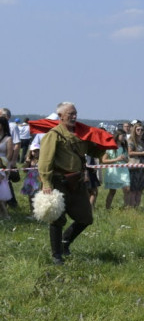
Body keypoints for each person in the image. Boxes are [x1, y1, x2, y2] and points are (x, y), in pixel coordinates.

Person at [36, 103, 110, 264]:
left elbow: (94, 152)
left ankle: (65, 241)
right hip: (58, 181)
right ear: (61, 116)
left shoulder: (81, 134)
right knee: (57, 219)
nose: (74, 116)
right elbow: (44, 162)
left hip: (77, 182)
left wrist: (104, 142)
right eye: (70, 114)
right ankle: (57, 255)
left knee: (86, 218)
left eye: (75, 113)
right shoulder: (53, 135)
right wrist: (46, 183)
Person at [101, 131, 130, 210]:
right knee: (112, 191)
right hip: (113, 171)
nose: (124, 137)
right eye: (122, 135)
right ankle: (107, 208)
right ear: (117, 136)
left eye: (125, 136)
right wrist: (116, 159)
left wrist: (125, 159)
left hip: (123, 170)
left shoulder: (124, 147)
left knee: (127, 189)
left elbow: (128, 160)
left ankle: (126, 208)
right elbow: (104, 160)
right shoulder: (110, 147)